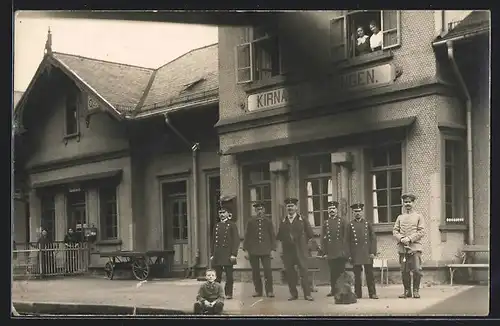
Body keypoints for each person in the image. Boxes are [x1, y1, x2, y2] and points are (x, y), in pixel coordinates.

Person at [277, 197, 315, 301]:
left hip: (301, 251)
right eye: (288, 206)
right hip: (288, 252)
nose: (290, 208)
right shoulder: (283, 220)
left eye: (292, 206)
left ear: (296, 207)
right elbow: (280, 236)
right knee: (290, 273)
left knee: (304, 272)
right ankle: (293, 294)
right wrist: (281, 250)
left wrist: (306, 247)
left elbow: (310, 234)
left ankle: (307, 294)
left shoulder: (303, 219)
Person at [393, 193, 425, 299]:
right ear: (403, 203)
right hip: (403, 249)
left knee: (416, 270)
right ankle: (407, 291)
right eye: (406, 202)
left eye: (409, 202)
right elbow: (395, 231)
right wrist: (402, 238)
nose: (408, 204)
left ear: (413, 203)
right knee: (404, 271)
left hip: (415, 248)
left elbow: (421, 232)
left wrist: (410, 239)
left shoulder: (418, 216)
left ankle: (416, 290)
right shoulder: (400, 217)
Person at [243, 201, 276, 298]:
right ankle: (258, 291)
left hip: (266, 250)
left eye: (261, 209)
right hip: (253, 250)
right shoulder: (250, 221)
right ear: (255, 210)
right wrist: (246, 250)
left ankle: (269, 291)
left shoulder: (268, 221)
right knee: (255, 272)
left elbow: (272, 236)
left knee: (267, 271)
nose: (259, 211)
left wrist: (273, 250)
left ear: (264, 210)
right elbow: (247, 236)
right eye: (257, 209)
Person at [346, 203, 378, 299]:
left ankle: (372, 293)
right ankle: (357, 293)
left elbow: (373, 238)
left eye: (359, 211)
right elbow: (346, 241)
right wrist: (349, 255)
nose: (357, 213)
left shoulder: (367, 224)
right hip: (355, 253)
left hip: (367, 253)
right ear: (353, 213)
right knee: (357, 276)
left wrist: (372, 252)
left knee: (370, 274)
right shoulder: (350, 225)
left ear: (362, 212)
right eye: (355, 211)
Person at [210, 196, 239, 300]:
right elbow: (213, 241)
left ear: (228, 214)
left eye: (223, 212)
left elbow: (236, 241)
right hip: (218, 254)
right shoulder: (216, 226)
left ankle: (228, 293)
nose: (221, 214)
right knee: (216, 277)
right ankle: (217, 293)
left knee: (229, 277)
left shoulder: (232, 225)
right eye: (220, 213)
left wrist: (233, 254)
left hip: (228, 255)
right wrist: (212, 254)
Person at [321, 201, 349, 297]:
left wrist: (345, 251)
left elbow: (346, 237)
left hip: (340, 252)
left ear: (337, 210)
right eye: (330, 209)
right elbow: (323, 238)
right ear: (328, 210)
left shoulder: (343, 221)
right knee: (332, 272)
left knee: (341, 272)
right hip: (331, 252)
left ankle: (341, 290)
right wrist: (324, 252)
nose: (331, 210)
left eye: (333, 208)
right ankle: (333, 290)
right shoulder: (326, 223)